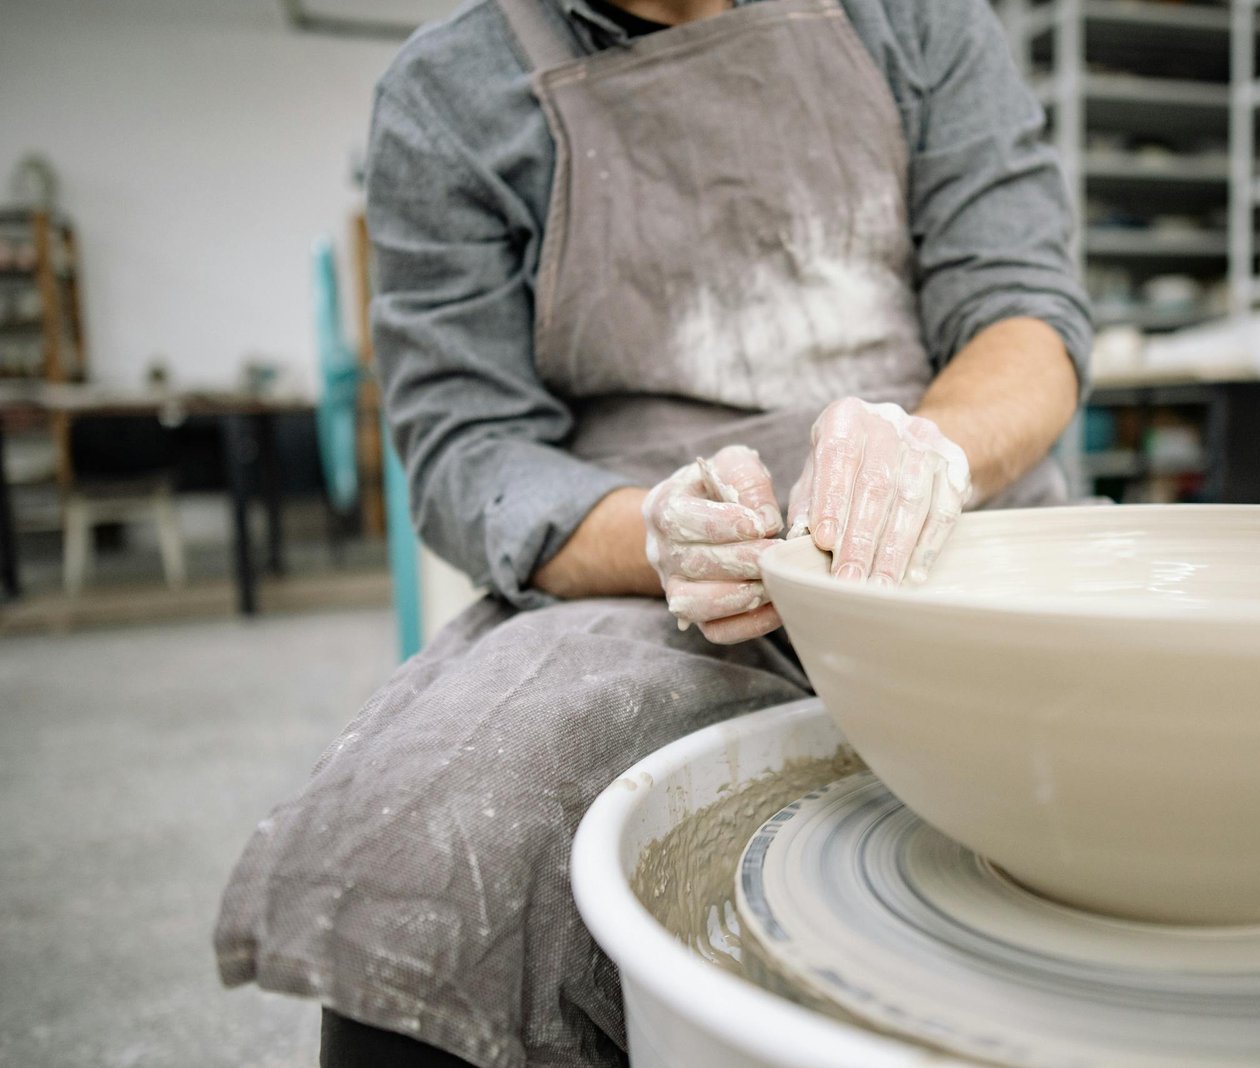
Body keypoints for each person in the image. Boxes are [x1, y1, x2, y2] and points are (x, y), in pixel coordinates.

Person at [214, 0, 1091, 1063]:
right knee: (423, 864)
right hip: (646, 560)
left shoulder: (920, 22)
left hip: (952, 515)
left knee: (1166, 764)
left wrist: (933, 453)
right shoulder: (451, 91)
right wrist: (665, 539)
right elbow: (467, 447)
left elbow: (1024, 317)